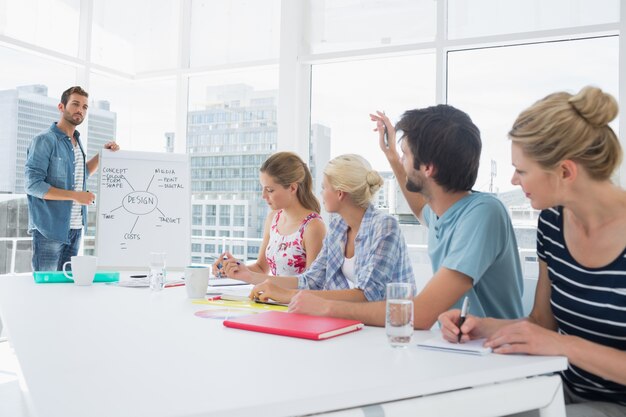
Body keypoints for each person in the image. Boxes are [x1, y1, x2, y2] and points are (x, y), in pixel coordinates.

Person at [439, 86, 626, 416]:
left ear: (565, 172)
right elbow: (542, 324)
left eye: (522, 170)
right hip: (560, 390)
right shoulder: (552, 225)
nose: (513, 180)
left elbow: (556, 341)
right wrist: (480, 327)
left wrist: (565, 345)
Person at [265, 105, 524, 329]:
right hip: (461, 346)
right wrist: (390, 154)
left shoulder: (483, 213)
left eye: (406, 154)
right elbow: (419, 206)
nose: (402, 159)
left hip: (497, 356)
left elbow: (419, 314)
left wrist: (325, 306)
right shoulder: (442, 214)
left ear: (428, 168)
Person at [222, 154, 414, 302]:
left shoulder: (385, 227)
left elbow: (367, 294)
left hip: (394, 326)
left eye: (324, 187)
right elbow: (311, 280)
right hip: (362, 322)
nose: (320, 193)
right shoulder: (339, 227)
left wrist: (288, 296)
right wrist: (249, 276)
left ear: (339, 193)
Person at [24, 86, 120, 272]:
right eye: (75, 104)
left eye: (84, 107)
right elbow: (33, 185)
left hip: (76, 228)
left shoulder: (76, 141)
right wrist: (76, 196)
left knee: (68, 287)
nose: (80, 110)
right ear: (61, 107)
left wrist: (103, 155)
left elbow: (80, 175)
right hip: (50, 229)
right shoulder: (44, 140)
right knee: (47, 288)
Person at [212, 151, 325, 277]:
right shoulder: (273, 219)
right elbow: (261, 268)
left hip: (292, 297)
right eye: (263, 188)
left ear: (293, 188)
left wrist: (272, 289)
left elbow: (312, 285)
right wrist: (232, 269)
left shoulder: (313, 227)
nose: (263, 195)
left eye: (270, 190)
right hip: (271, 296)